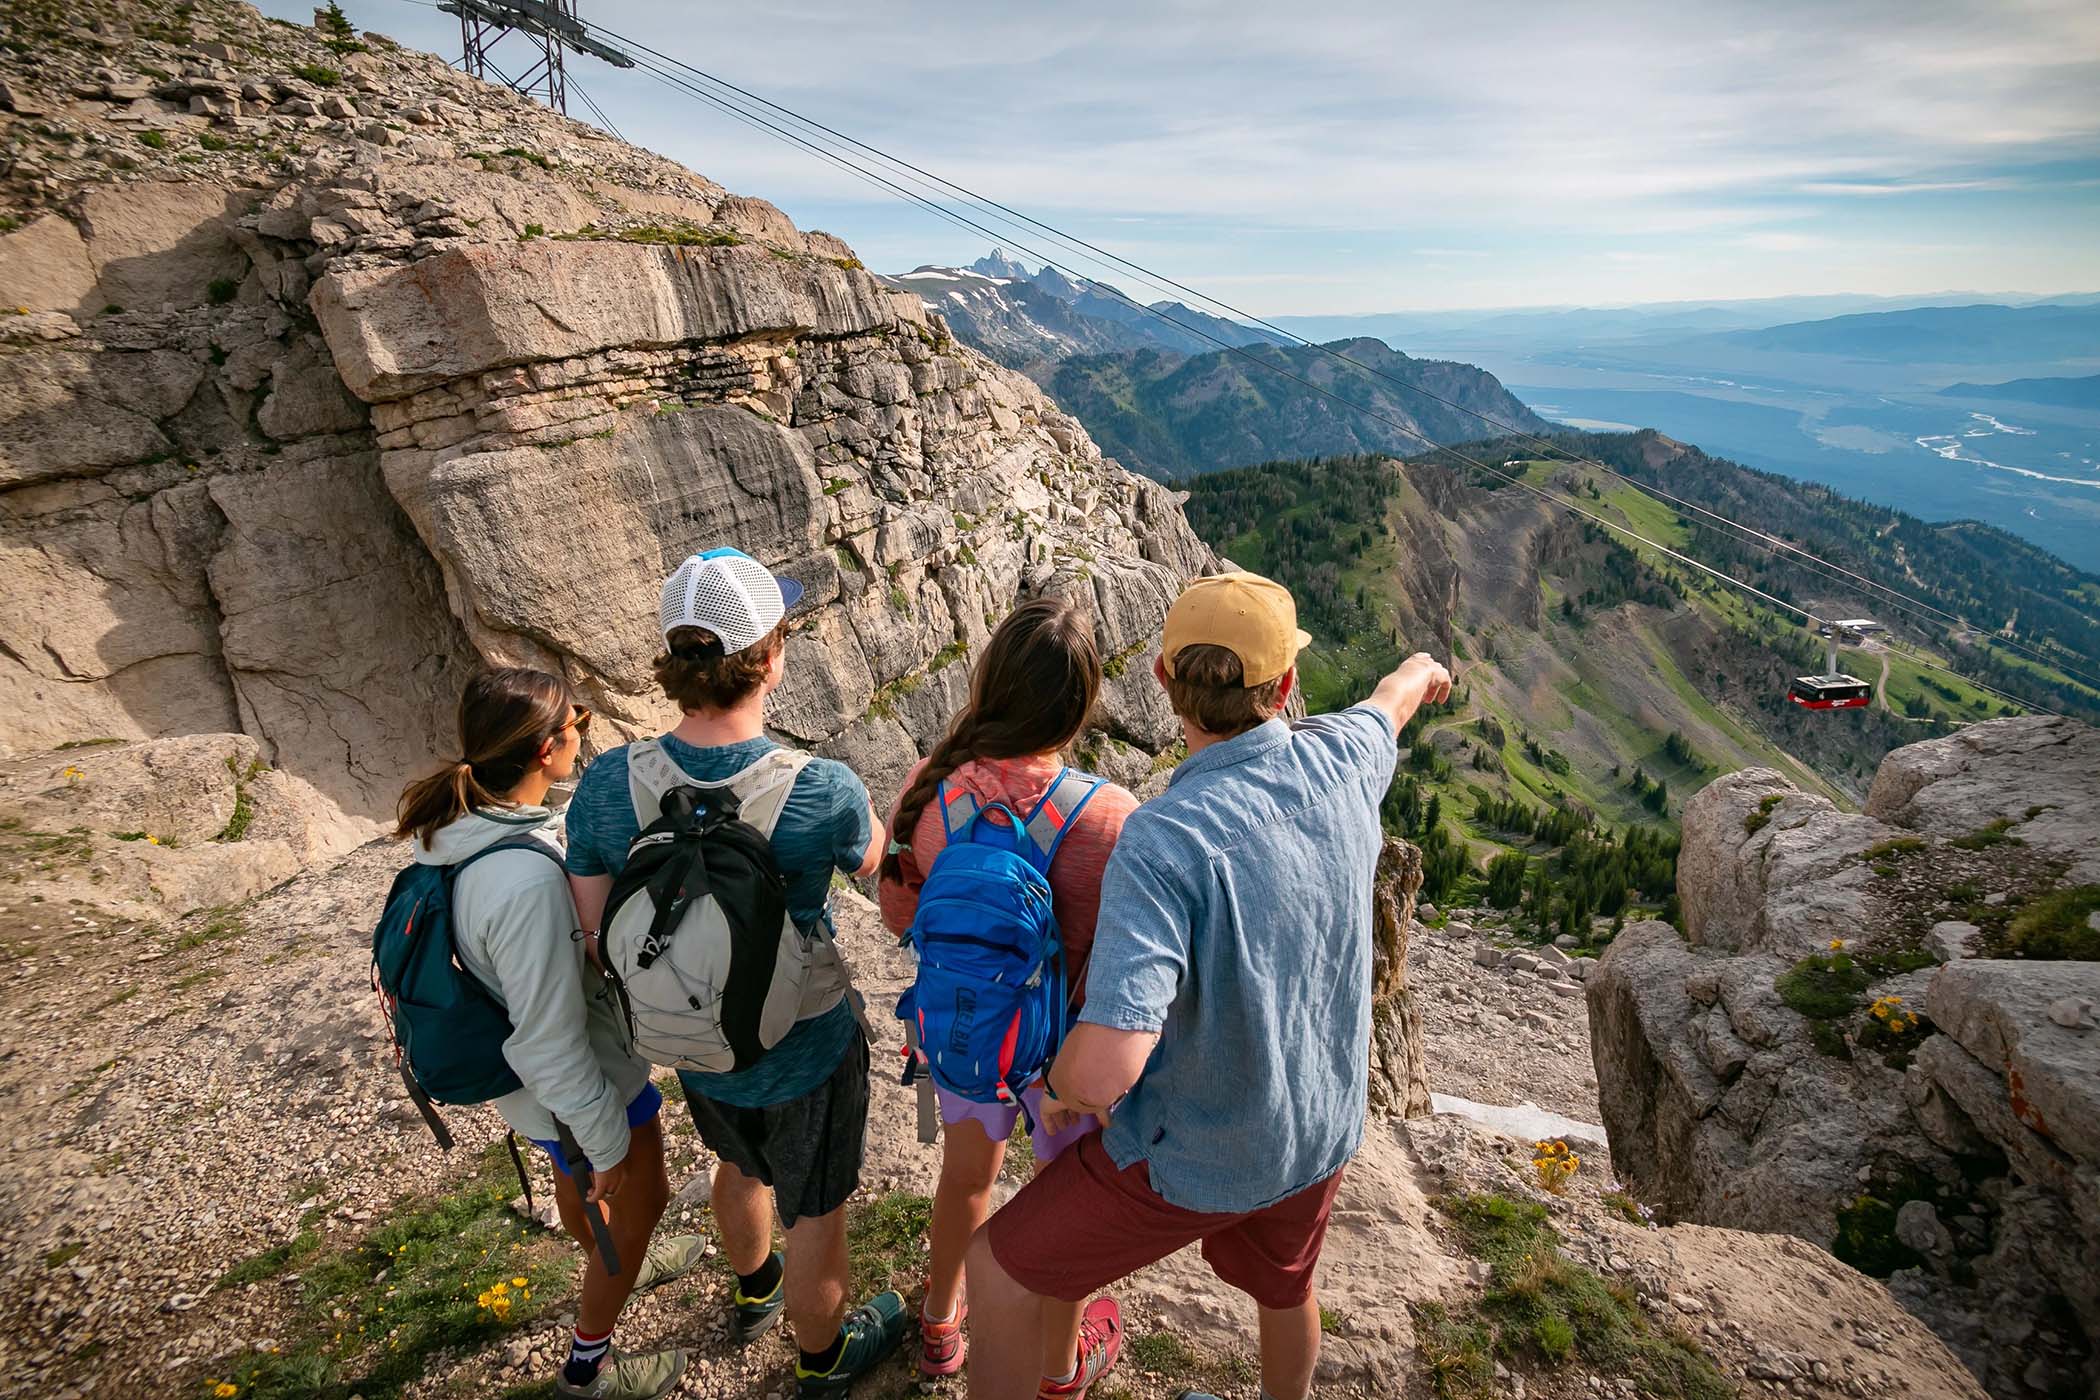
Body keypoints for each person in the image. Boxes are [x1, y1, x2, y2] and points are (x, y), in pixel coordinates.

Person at [964, 573, 1453, 1400]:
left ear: (1163, 681)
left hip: (1198, 1147)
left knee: (997, 1269)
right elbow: (1392, 699)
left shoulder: (1162, 843)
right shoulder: (1346, 757)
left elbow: (1109, 1068)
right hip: (1319, 1126)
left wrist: (1055, 1085)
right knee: (1288, 1286)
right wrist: (1424, 668)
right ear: (1287, 686)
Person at [565, 548, 907, 1397]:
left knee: (736, 1164)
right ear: (773, 653)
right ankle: (824, 1361)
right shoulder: (820, 786)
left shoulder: (609, 782)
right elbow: (876, 865)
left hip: (689, 1036)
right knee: (817, 1211)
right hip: (802, 1041)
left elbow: (595, 926)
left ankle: (756, 1289)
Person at [395, 667, 700, 1400]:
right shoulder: (525, 884)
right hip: (575, 1085)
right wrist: (604, 1142)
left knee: (590, 1196)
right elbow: (550, 1038)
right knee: (641, 1192)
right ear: (543, 750)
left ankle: (616, 1256)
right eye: (578, 724)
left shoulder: (456, 832)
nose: (582, 736)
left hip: (531, 1094)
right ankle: (586, 1370)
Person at [876, 597, 1138, 1392]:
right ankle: (1061, 1366)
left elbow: (899, 914)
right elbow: (1130, 967)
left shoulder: (932, 788)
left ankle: (941, 1322)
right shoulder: (1107, 818)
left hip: (965, 1036)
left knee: (966, 1180)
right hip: (1061, 1061)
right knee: (1066, 1219)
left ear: (988, 683)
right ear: (1081, 704)